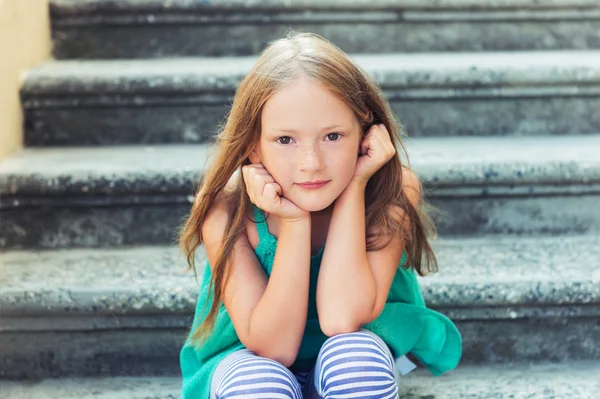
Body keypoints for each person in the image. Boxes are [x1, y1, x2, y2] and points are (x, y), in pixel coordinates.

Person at [178, 31, 462, 399]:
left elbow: (341, 318)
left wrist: (357, 183)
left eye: (333, 137)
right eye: (285, 140)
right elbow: (273, 346)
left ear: (365, 132)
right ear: (252, 146)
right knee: (259, 385)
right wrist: (295, 223)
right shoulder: (226, 208)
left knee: (356, 361)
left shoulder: (391, 191)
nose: (311, 164)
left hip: (349, 353)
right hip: (249, 358)